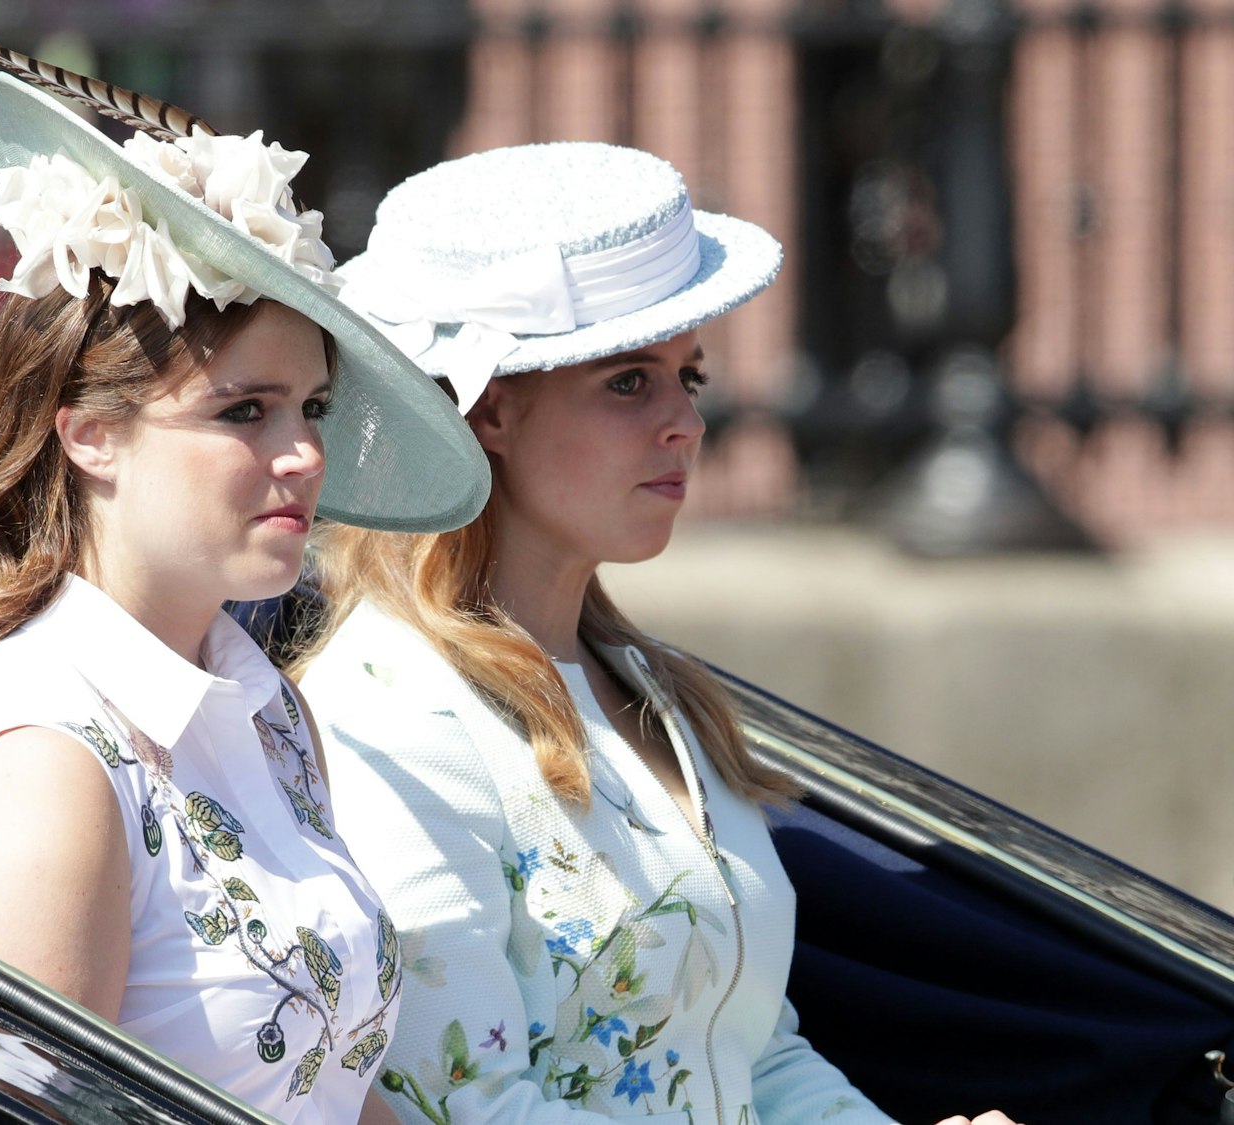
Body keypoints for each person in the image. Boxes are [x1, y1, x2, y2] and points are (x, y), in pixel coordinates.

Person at [296, 143, 1020, 1125]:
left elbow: (751, 1054)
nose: (684, 422)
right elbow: (457, 1107)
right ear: (491, 411)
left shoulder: (655, 692)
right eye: (628, 383)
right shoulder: (386, 713)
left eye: (691, 377)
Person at [0, 22, 491, 1123]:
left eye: (309, 408)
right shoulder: (44, 764)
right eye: (241, 411)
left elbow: (344, 1090)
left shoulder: (263, 704)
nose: (301, 453)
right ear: (88, 436)